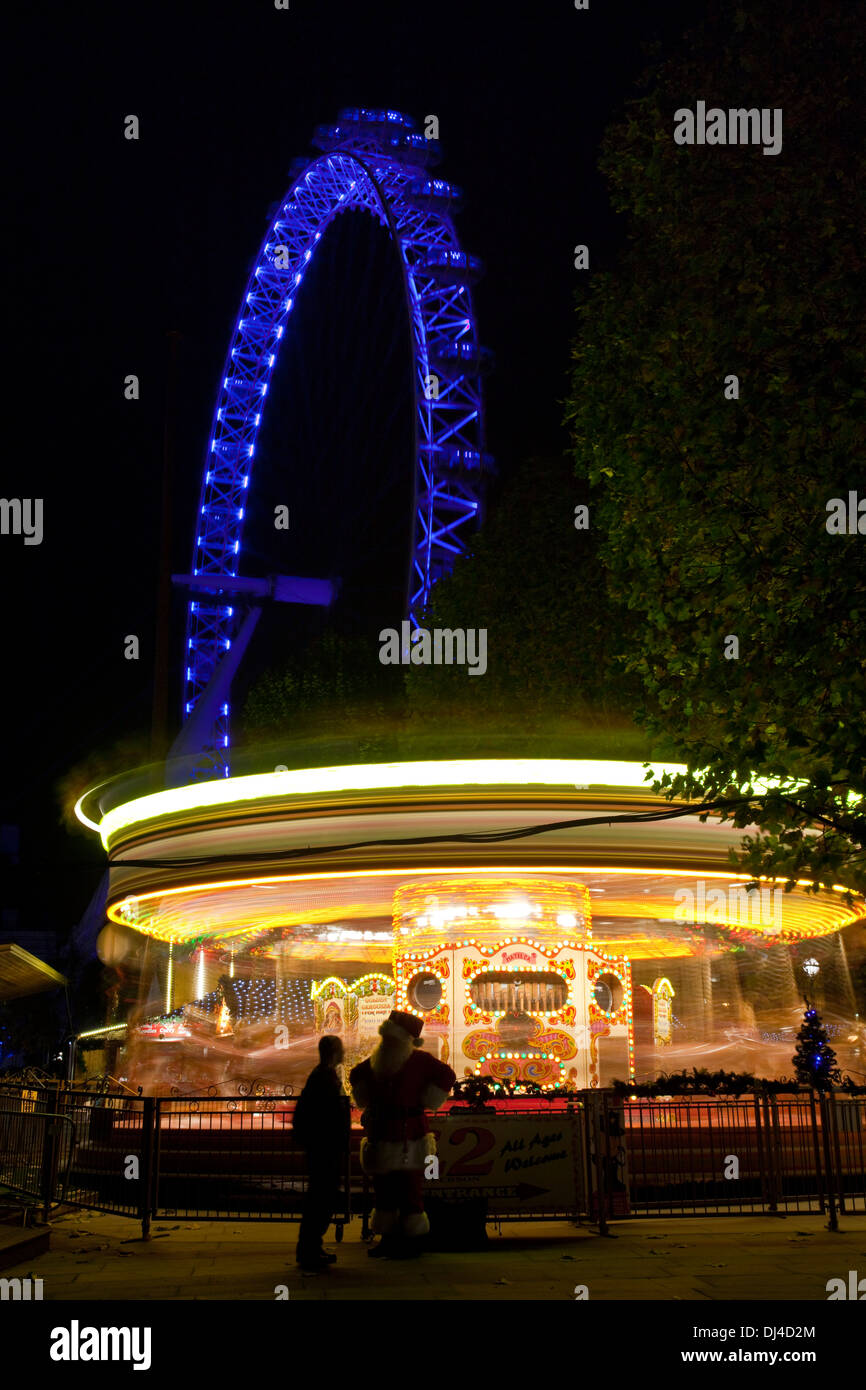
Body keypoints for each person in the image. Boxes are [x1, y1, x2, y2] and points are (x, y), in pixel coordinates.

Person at [350, 1010, 456, 1260]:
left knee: (409, 1189)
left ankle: (410, 1240)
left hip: (409, 1135)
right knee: (386, 1190)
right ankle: (392, 1239)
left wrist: (427, 1098)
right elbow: (356, 1075)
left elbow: (447, 1076)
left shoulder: (415, 1061)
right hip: (388, 1133)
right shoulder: (378, 1061)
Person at [292, 1034, 350, 1272]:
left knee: (321, 1196)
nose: (345, 1052)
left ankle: (311, 1247)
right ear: (335, 1051)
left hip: (322, 1145)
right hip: (324, 1146)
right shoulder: (324, 1077)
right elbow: (327, 1114)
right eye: (341, 1048)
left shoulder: (322, 1075)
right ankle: (309, 1248)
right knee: (321, 1197)